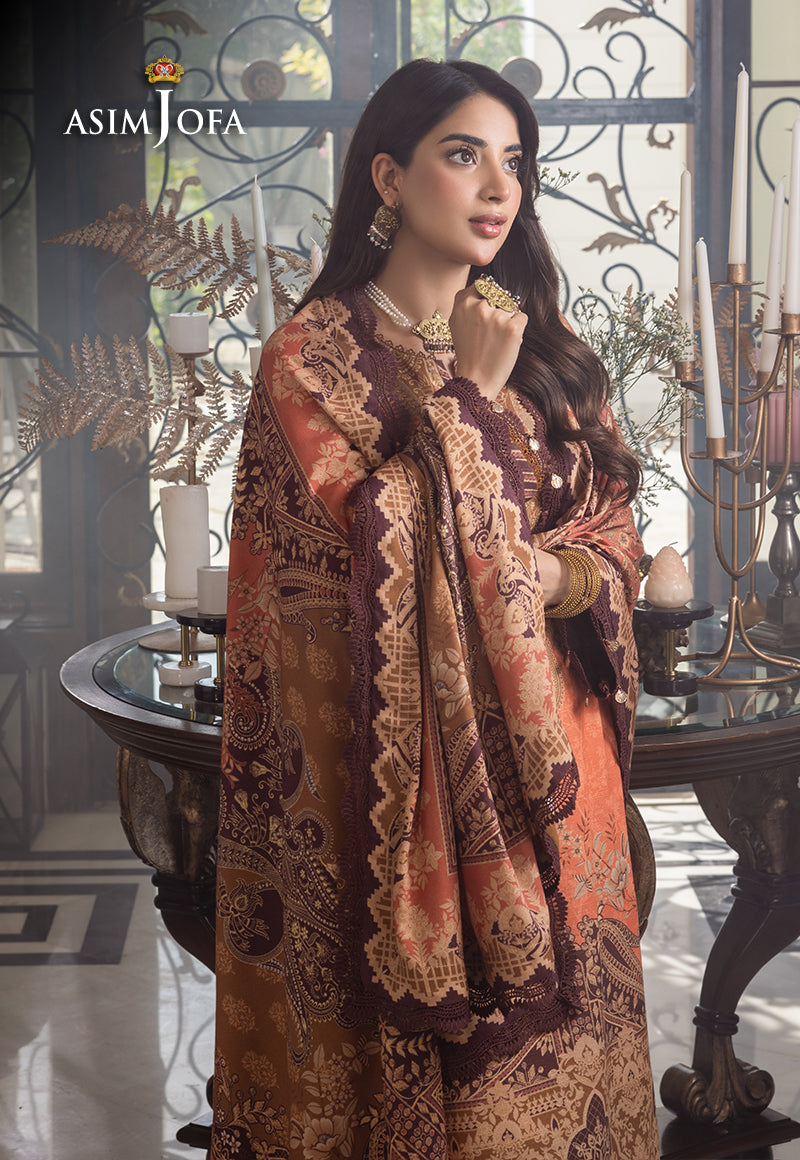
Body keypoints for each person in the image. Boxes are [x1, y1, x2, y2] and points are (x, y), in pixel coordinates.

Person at [212, 57, 659, 1160]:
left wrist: (553, 578)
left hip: (559, 766)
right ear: (388, 177)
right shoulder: (313, 360)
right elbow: (349, 570)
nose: (499, 187)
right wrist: (463, 398)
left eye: (515, 162)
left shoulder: (547, 350)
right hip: (391, 792)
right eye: (463, 156)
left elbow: (612, 532)